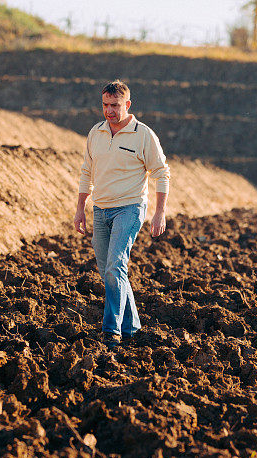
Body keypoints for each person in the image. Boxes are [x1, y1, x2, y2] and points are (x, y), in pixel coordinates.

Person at [73, 79, 170, 349]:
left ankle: (111, 331)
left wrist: (159, 213)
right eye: (105, 105)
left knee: (116, 265)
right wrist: (81, 208)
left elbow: (162, 173)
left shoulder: (143, 134)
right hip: (100, 210)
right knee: (109, 272)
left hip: (130, 208)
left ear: (127, 105)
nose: (109, 111)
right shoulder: (96, 132)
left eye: (115, 105)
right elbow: (86, 172)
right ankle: (132, 327)